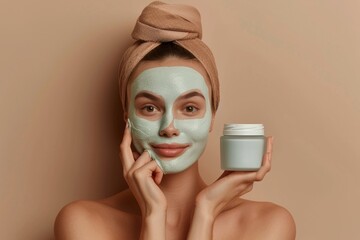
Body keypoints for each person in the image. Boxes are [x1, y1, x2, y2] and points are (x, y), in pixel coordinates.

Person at [54, 2, 296, 240]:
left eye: (189, 108)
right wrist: (153, 215)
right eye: (150, 108)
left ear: (212, 115)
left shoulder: (267, 224)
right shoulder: (82, 222)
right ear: (126, 116)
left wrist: (206, 209)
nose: (169, 127)